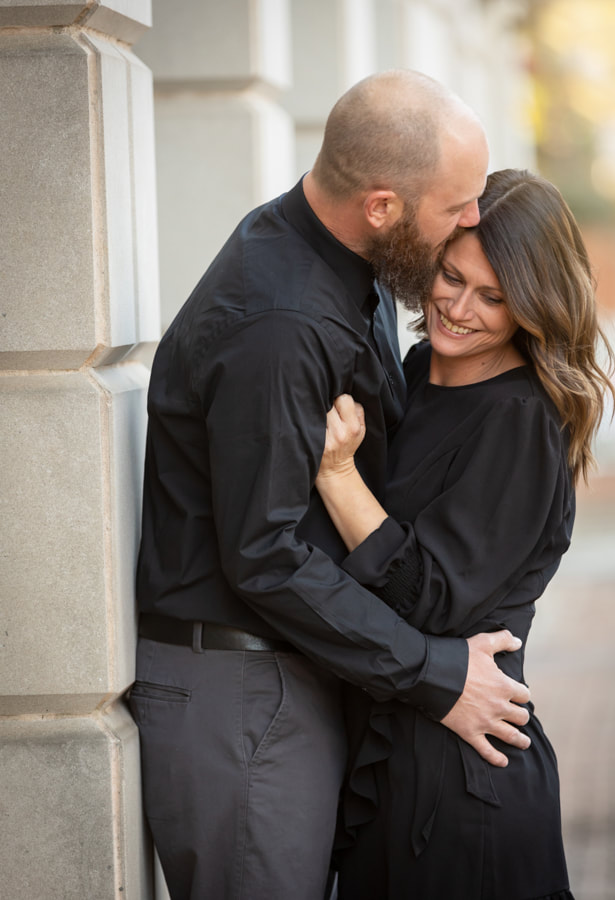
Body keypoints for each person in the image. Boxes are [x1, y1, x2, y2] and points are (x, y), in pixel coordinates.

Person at [128, 71, 532, 900]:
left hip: (286, 676)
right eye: (456, 204)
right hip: (244, 697)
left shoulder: (347, 262)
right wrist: (432, 671)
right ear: (381, 206)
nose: (472, 219)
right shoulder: (281, 326)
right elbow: (265, 555)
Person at [315, 168, 615, 899]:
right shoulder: (417, 369)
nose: (456, 308)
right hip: (396, 752)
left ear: (533, 306)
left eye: (493, 296)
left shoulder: (518, 420)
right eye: (450, 276)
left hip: (463, 783)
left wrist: (336, 475)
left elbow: (429, 600)